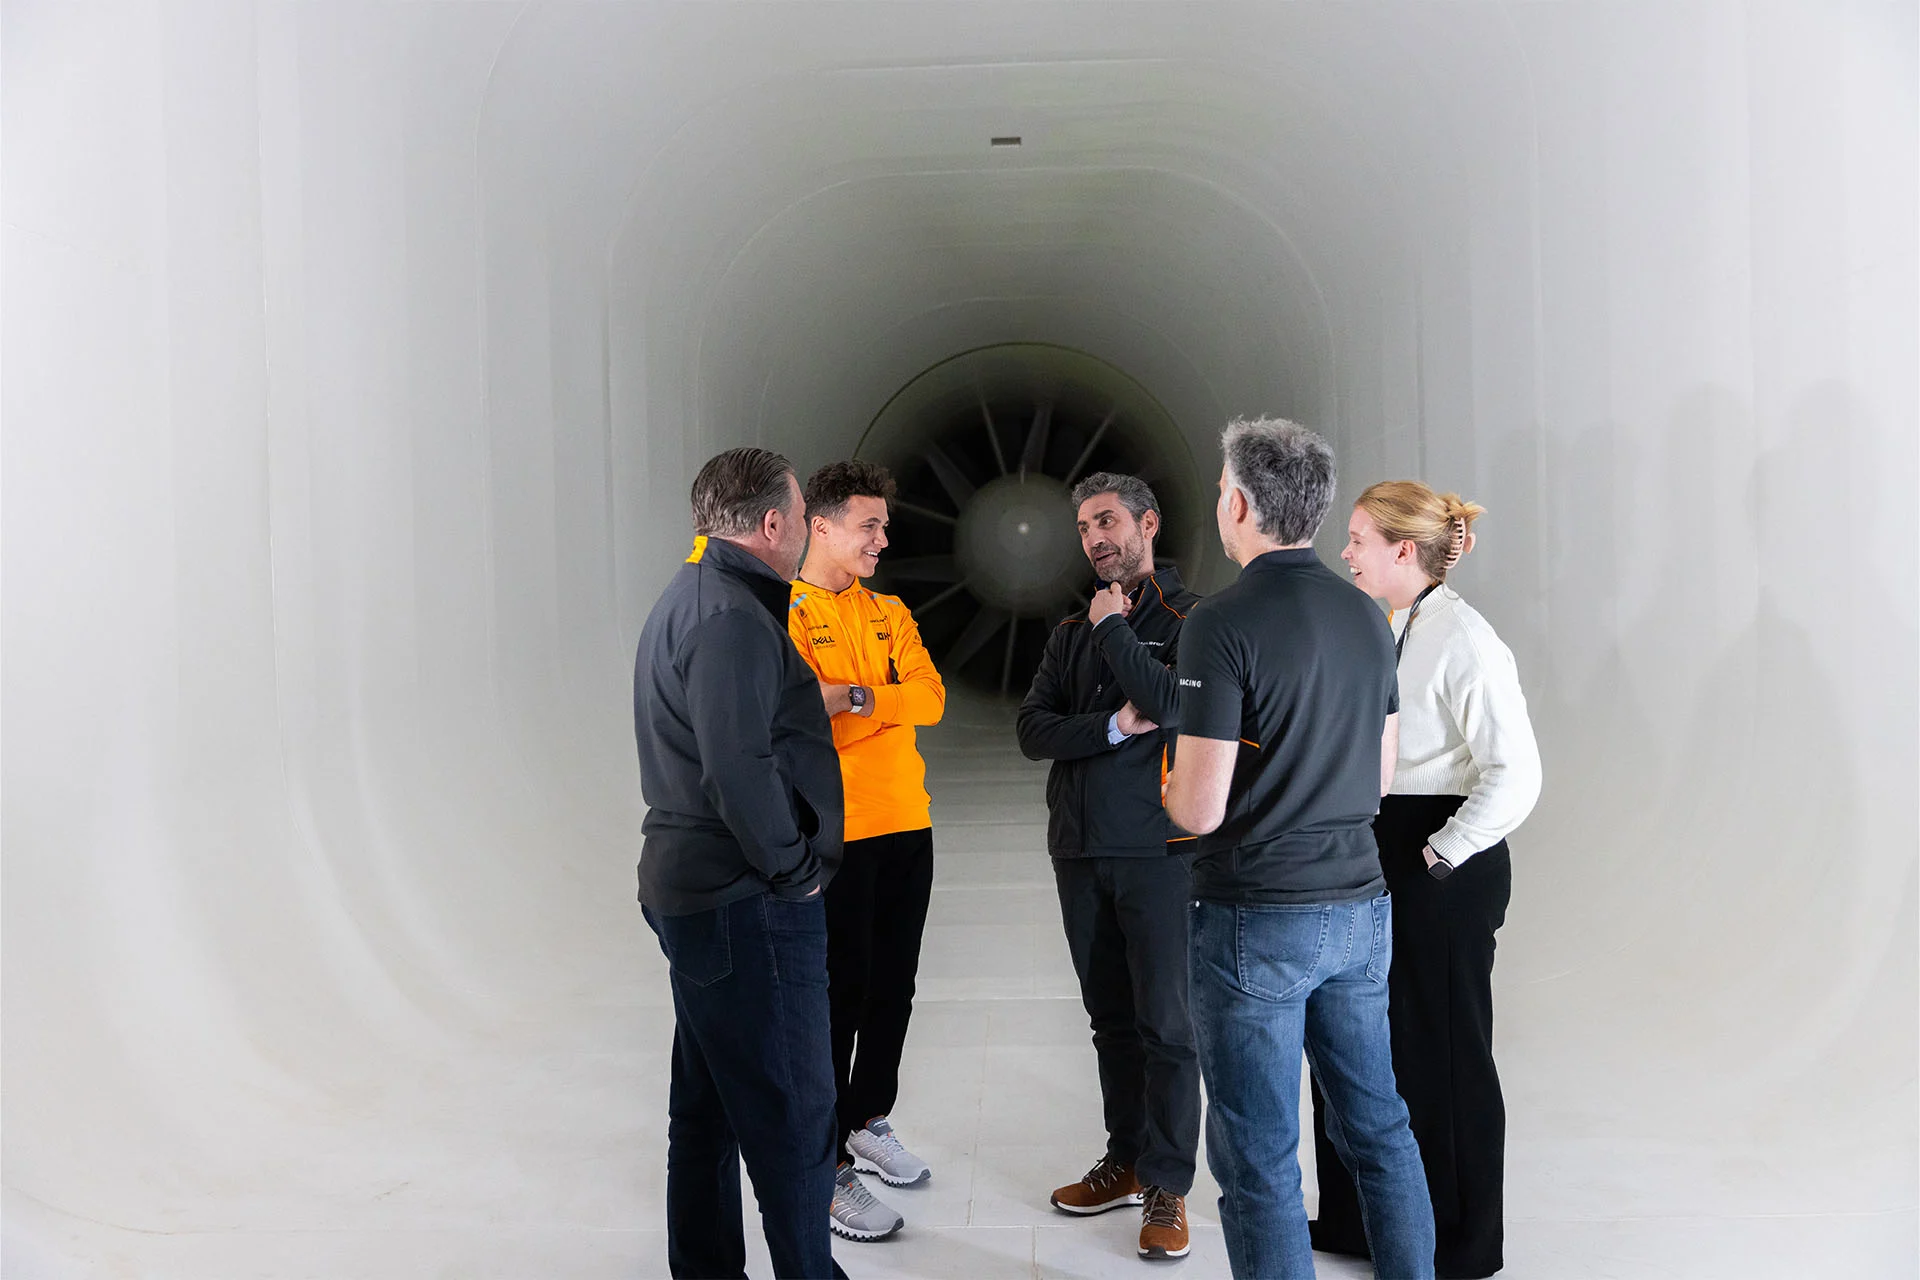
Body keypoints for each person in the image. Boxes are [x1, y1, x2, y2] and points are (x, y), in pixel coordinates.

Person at [1164, 418, 1435, 1280]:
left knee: (1259, 1161)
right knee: (1380, 1130)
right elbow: (1379, 780)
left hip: (1256, 915)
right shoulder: (1369, 616)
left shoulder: (1218, 622)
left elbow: (1198, 808)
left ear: (1240, 506)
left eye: (1221, 490)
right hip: (1359, 908)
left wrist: (1166, 783)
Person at [1310, 482, 1543, 1279]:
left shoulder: (1466, 640)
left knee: (1441, 1055)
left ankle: (1462, 1245)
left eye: (1358, 539)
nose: (1346, 552)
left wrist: (1443, 853)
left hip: (1441, 863)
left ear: (1402, 550)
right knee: (1354, 1042)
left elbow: (1517, 774)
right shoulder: (1392, 626)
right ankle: (1357, 1220)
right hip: (1380, 846)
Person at [632, 447, 848, 1280]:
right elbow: (738, 769)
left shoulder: (693, 597)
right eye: (802, 519)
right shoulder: (730, 618)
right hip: (745, 900)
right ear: (772, 523)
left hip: (699, 892)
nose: (807, 534)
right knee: (795, 1114)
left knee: (709, 1107)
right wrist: (795, 873)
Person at [1016, 472, 1202, 1262]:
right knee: (1111, 1022)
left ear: (1147, 524)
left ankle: (1168, 1185)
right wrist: (1114, 728)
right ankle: (1125, 1160)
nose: (1095, 538)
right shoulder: (1071, 629)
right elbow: (1033, 729)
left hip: (1159, 853)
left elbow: (1173, 703)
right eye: (1085, 526)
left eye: (1107, 521)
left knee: (1167, 1025)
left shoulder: (1191, 621)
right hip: (1080, 850)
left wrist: (1116, 634)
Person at [786, 460, 948, 1242]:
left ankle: (866, 1120)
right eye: (869, 526)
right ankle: (823, 1166)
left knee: (894, 989)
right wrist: (879, 704)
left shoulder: (889, 611)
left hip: (907, 824)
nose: (883, 539)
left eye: (885, 526)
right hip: (839, 833)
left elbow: (930, 699)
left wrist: (856, 696)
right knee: (838, 996)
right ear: (820, 526)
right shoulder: (787, 614)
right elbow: (799, 719)